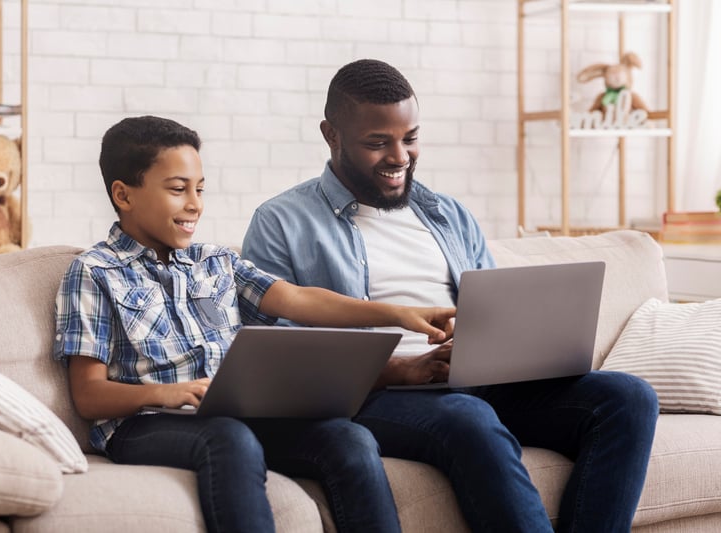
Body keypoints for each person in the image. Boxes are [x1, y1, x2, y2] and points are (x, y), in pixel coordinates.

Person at [242, 59, 660, 532]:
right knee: (468, 415)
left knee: (628, 397)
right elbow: (276, 361)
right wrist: (398, 369)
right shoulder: (281, 222)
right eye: (377, 142)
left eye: (410, 137)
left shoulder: (447, 214)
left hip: (474, 383)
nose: (400, 156)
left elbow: (497, 311)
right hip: (379, 395)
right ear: (331, 135)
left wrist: (508, 350)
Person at [53, 115, 458, 533]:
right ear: (123, 194)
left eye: (200, 188)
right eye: (178, 189)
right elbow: (89, 395)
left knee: (348, 438)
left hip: (234, 414)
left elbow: (299, 299)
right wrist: (169, 393)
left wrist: (398, 313)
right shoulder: (95, 271)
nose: (195, 203)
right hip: (147, 423)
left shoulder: (215, 262)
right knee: (229, 438)